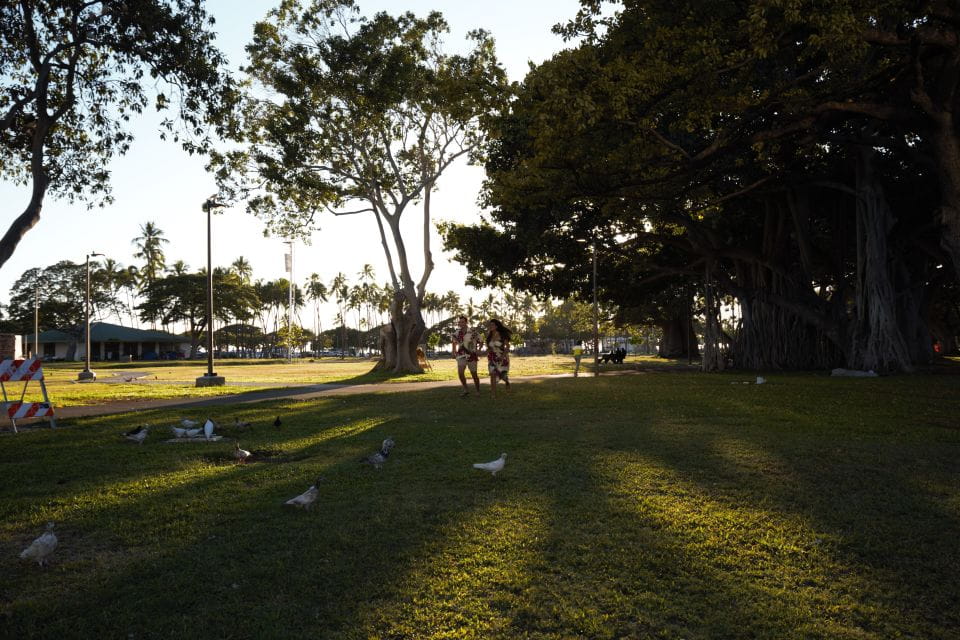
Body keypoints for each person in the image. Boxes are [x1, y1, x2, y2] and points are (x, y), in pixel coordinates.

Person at [451, 315, 481, 397]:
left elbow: (480, 340)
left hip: (472, 355)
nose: (461, 323)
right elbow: (454, 342)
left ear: (466, 322)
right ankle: (466, 389)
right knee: (460, 373)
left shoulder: (473, 331)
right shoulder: (457, 332)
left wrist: (479, 349)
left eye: (462, 322)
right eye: (459, 322)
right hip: (461, 355)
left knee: (474, 374)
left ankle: (478, 391)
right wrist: (453, 351)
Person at [485, 318, 512, 398]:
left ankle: (506, 382)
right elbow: (489, 348)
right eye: (490, 325)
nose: (490, 326)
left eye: (492, 325)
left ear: (496, 326)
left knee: (502, 375)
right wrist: (482, 352)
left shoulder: (502, 335)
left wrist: (502, 356)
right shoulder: (489, 336)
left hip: (502, 357)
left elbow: (507, 347)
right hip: (492, 358)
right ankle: (493, 394)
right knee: (492, 374)